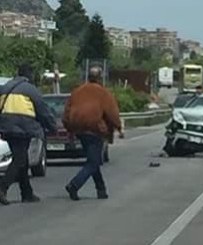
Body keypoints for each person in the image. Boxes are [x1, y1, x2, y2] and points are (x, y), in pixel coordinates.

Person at [63, 67, 123, 201]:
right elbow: (112, 112)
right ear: (100, 78)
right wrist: (119, 128)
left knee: (93, 160)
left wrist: (70, 129)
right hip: (95, 130)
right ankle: (74, 185)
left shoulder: (77, 92)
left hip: (79, 129)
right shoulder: (103, 93)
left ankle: (101, 190)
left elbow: (67, 112)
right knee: (94, 162)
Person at [0, 64, 56, 205]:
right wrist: (52, 127)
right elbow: (43, 111)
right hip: (22, 128)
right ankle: (2, 187)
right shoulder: (30, 89)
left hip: (6, 127)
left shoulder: (5, 87)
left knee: (22, 159)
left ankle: (27, 193)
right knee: (19, 159)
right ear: (29, 75)